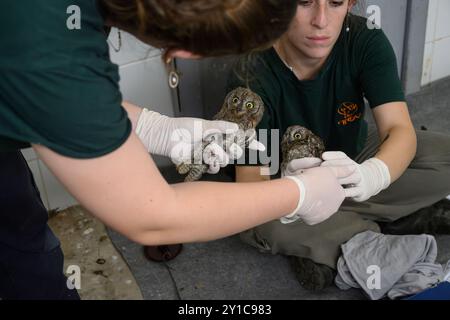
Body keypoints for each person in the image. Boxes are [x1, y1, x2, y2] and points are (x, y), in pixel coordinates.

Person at [0, 0, 357, 300]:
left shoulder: (49, 32)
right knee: (26, 264)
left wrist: (157, 129)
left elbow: (56, 94)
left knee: (23, 230)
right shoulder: (49, 43)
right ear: (185, 53)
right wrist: (299, 193)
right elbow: (152, 217)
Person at [229, 0, 450, 291]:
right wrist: (298, 195)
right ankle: (376, 231)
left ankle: (335, 245)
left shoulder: (364, 38)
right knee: (260, 220)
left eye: (334, 3)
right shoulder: (253, 68)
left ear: (350, 3)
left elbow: (399, 130)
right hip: (287, 182)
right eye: (305, 2)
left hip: (352, 159)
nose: (321, 20)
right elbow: (252, 185)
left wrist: (374, 174)